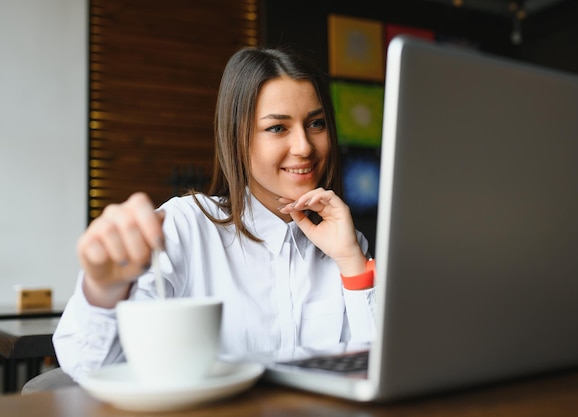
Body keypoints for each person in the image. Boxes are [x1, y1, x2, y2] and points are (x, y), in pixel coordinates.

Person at [53, 45, 377, 382]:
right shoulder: (186, 225)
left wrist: (351, 259)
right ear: (237, 138)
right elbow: (88, 366)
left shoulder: (344, 241)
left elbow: (384, 370)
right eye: (278, 128)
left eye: (316, 123)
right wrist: (104, 289)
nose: (304, 147)